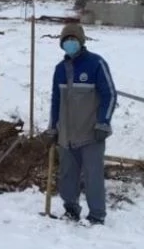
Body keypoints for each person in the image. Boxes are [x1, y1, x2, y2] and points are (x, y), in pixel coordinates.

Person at [48, 22, 116, 224]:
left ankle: (96, 215)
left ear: (81, 41)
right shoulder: (59, 69)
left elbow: (110, 94)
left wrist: (103, 123)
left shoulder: (96, 64)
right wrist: (52, 128)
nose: (70, 43)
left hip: (91, 133)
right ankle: (71, 209)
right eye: (66, 40)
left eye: (73, 39)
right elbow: (56, 101)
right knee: (67, 175)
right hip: (66, 134)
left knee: (93, 176)